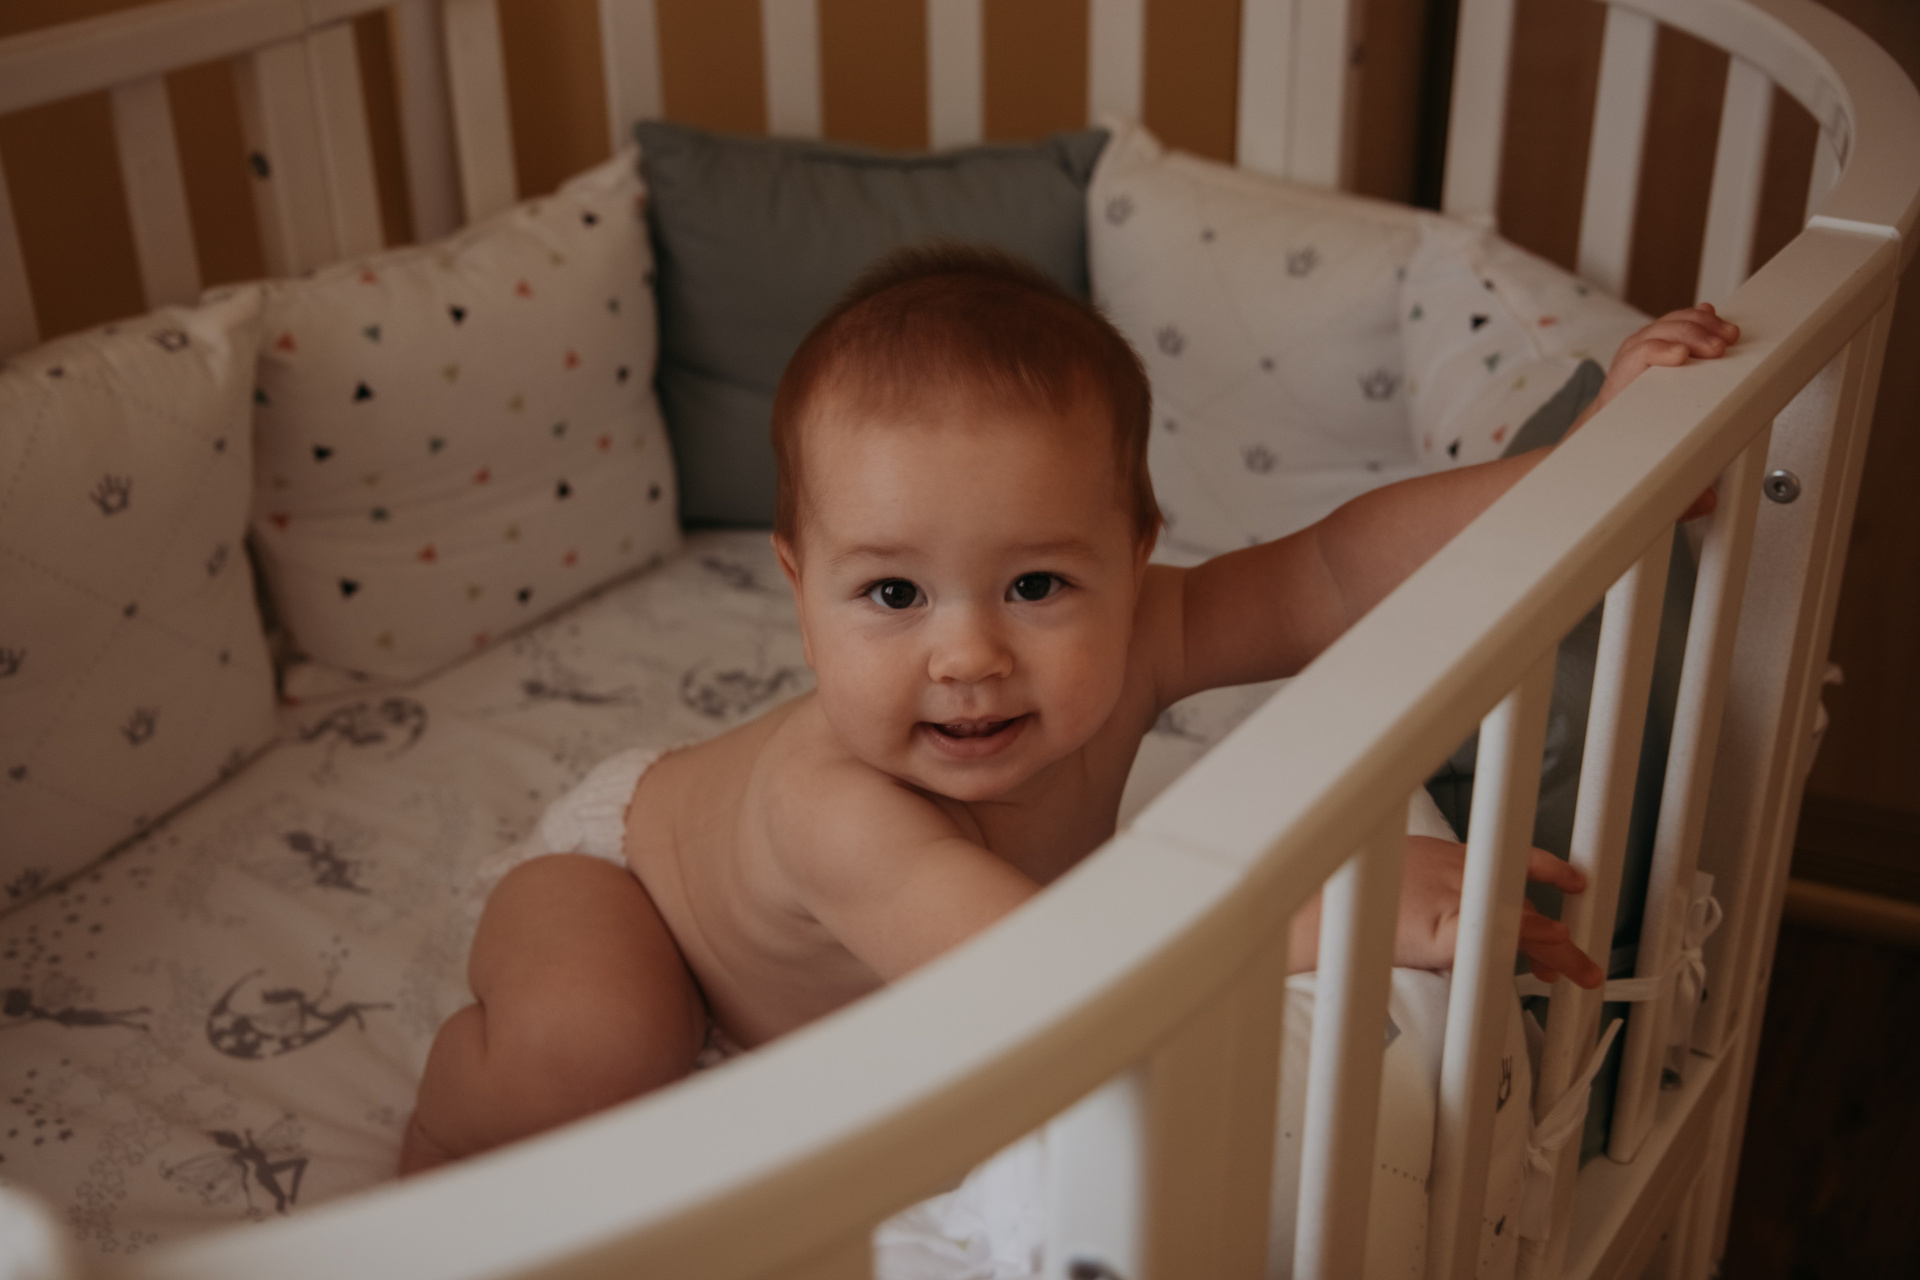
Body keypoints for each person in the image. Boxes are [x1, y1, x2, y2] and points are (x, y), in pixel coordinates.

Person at [400, 243, 1737, 1174]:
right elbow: (1041, 976)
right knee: (599, 1050)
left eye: (1035, 583)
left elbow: (1335, 570)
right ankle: (441, 1147)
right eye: (892, 594)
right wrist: (1333, 911)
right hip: (629, 889)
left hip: (823, 961)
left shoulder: (1140, 636)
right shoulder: (836, 806)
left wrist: (1583, 479)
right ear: (800, 590)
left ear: (1137, 555)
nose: (969, 655)